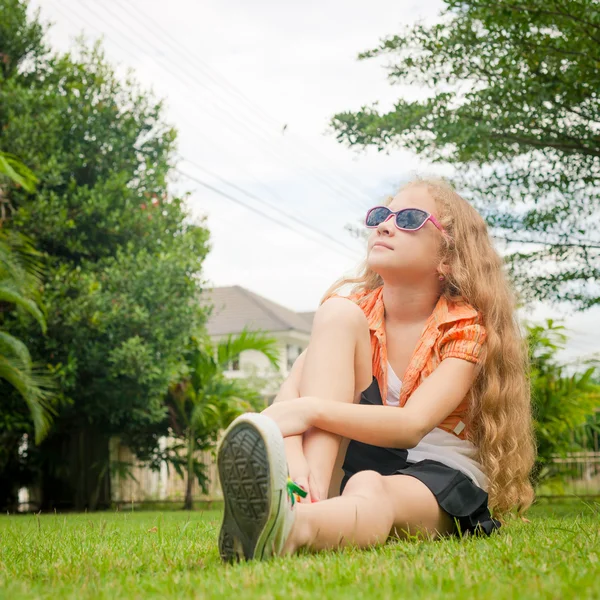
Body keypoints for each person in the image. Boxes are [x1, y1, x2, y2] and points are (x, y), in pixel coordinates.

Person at [216, 177, 535, 562]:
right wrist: (296, 464)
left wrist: (309, 411)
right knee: (336, 311)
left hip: (434, 471)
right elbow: (290, 404)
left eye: (411, 218)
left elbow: (411, 425)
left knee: (371, 487)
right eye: (382, 215)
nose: (385, 225)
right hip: (356, 458)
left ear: (447, 258)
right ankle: (305, 497)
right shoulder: (351, 317)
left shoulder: (465, 328)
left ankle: (294, 528)